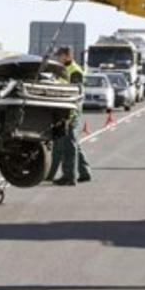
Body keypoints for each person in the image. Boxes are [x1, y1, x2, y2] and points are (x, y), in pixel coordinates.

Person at [47, 46, 92, 186]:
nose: (57, 58)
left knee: (69, 145)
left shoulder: (75, 71)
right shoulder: (63, 70)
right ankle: (84, 173)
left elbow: (75, 93)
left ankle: (69, 176)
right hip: (65, 110)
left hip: (71, 111)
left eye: (59, 56)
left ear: (67, 56)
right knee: (74, 144)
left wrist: (69, 115)